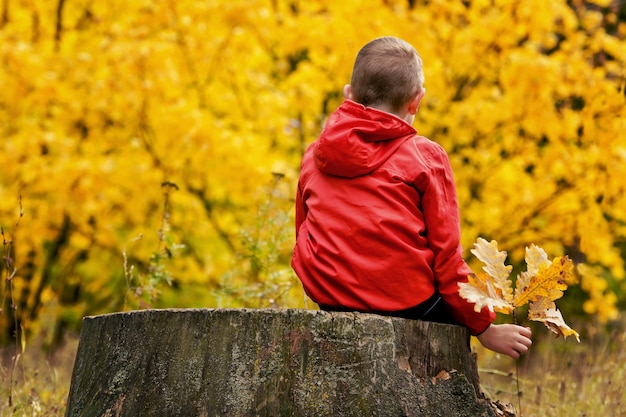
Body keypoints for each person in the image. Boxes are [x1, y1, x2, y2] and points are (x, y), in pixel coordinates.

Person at [291, 36, 531, 359]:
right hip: (407, 305)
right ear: (416, 102)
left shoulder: (314, 155)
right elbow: (447, 261)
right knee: (456, 331)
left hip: (331, 296)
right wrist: (485, 328)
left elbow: (302, 230)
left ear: (349, 94)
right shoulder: (426, 158)